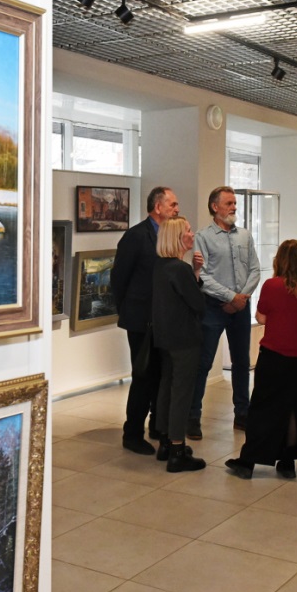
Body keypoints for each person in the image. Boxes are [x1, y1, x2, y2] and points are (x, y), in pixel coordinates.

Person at [224, 239, 297, 479]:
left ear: (279, 260)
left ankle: (248, 462)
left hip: (275, 356)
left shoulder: (272, 285)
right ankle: (287, 462)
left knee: (263, 409)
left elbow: (261, 317)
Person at [111, 186, 180, 455]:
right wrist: (129, 311)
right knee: (143, 376)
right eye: (173, 204)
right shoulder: (136, 236)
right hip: (141, 321)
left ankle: (157, 425)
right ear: (158, 207)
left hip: (162, 320)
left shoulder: (168, 235)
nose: (177, 209)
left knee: (160, 375)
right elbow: (119, 279)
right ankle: (132, 434)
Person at [188, 186, 260, 440]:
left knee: (242, 362)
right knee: (203, 363)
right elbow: (202, 276)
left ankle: (243, 414)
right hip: (213, 308)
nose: (234, 207)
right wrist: (230, 297)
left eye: (234, 203)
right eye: (229, 203)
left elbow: (255, 269)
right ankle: (192, 417)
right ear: (214, 207)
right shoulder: (203, 237)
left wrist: (241, 298)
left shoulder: (245, 236)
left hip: (241, 308)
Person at [151, 216, 207, 472]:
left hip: (165, 337)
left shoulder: (161, 266)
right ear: (177, 237)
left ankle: (165, 442)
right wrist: (196, 274)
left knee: (167, 387)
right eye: (188, 231)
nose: (192, 234)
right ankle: (177, 449)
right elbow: (198, 303)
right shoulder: (180, 269)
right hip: (184, 338)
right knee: (182, 392)